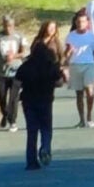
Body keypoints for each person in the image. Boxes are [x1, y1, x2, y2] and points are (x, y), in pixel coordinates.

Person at [14, 43, 64, 171]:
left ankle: (31, 161)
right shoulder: (50, 66)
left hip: (28, 102)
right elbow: (59, 82)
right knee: (46, 128)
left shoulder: (25, 67)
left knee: (32, 131)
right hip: (45, 101)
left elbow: (16, 86)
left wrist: (11, 105)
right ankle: (45, 147)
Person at [0, 15, 27, 132]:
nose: (8, 28)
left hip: (16, 72)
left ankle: (13, 121)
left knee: (13, 98)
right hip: (2, 72)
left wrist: (14, 56)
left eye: (10, 26)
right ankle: (5, 114)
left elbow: (25, 52)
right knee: (0, 95)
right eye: (5, 25)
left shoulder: (19, 36)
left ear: (14, 26)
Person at [65, 12, 94, 128]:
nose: (80, 24)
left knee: (89, 91)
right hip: (75, 64)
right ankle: (81, 119)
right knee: (79, 93)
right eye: (78, 22)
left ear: (87, 23)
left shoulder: (92, 36)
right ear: (75, 23)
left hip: (89, 64)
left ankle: (89, 117)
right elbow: (66, 54)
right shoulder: (71, 36)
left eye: (83, 21)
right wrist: (69, 52)